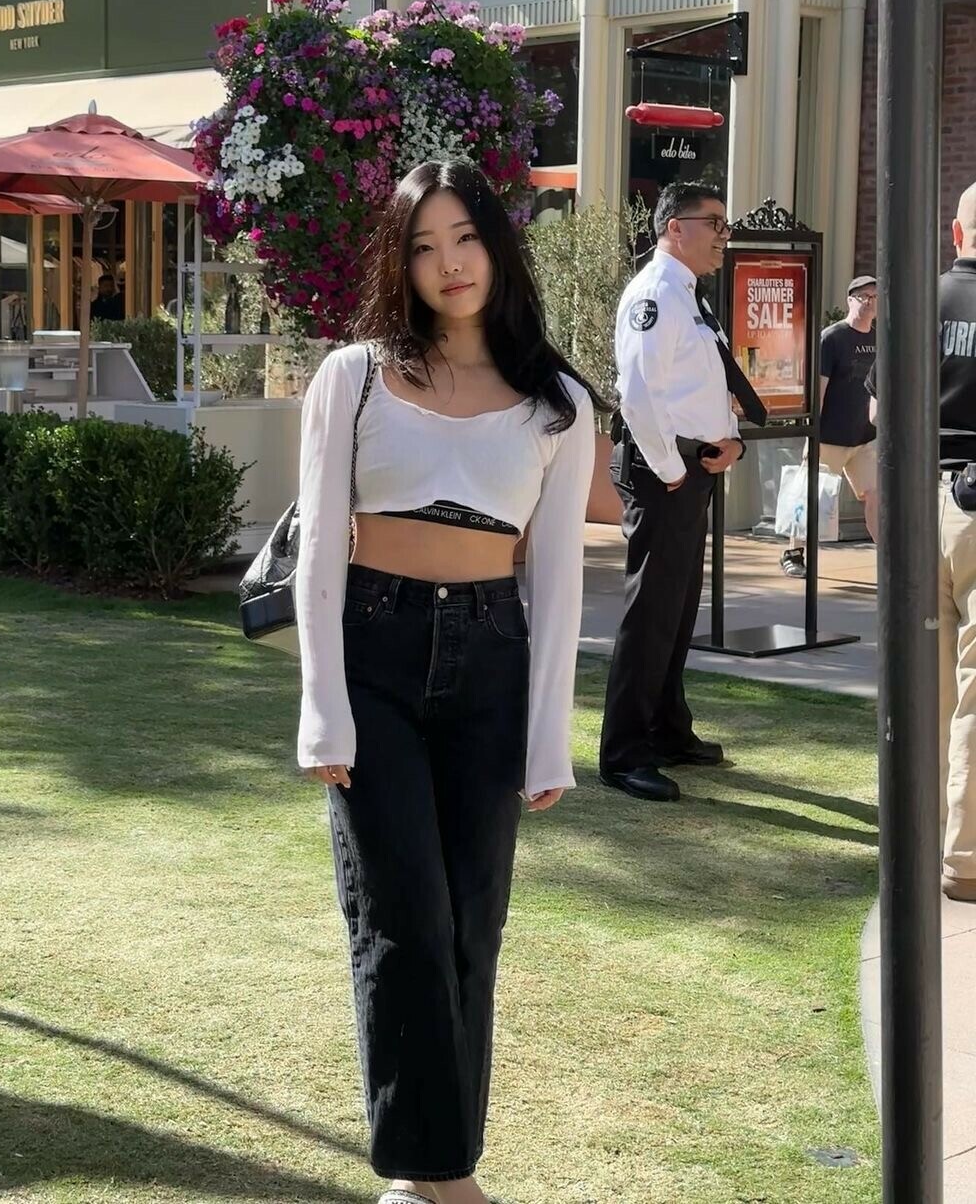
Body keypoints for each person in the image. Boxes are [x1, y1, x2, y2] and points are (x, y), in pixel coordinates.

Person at [295, 160, 598, 1204]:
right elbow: (318, 551)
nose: (448, 263)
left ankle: (433, 1169)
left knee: (473, 922)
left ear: (496, 246)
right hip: (372, 656)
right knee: (403, 918)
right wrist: (322, 708)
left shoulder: (558, 403)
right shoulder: (354, 378)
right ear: (401, 261)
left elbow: (556, 582)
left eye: (464, 237)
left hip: (492, 659)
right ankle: (437, 1176)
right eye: (422, 246)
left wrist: (549, 737)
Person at [599, 181, 765, 803]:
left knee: (677, 608)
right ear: (675, 227)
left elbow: (703, 385)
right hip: (662, 471)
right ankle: (623, 754)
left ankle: (667, 730)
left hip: (691, 468)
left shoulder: (687, 293)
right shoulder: (655, 294)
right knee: (652, 613)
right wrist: (672, 469)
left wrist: (729, 441)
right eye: (714, 223)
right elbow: (638, 394)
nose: (724, 235)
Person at [868, 184, 976, 904]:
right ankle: (964, 859)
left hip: (917, 507)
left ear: (956, 234)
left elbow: (881, 410)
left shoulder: (916, 301)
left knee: (925, 686)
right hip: (975, 510)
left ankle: (919, 843)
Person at [780, 276, 878, 578]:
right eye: (864, 296)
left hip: (864, 438)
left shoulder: (880, 339)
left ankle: (889, 558)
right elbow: (818, 390)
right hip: (829, 437)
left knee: (876, 496)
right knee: (811, 495)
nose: (870, 302)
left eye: (875, 297)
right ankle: (794, 553)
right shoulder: (832, 338)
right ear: (850, 300)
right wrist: (812, 434)